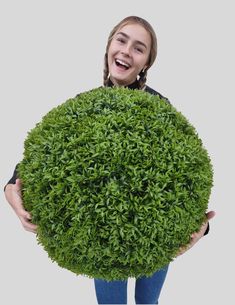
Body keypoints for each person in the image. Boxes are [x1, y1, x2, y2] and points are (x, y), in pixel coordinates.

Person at [4, 16, 215, 305]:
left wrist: (201, 228)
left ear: (145, 64)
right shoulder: (82, 107)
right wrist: (10, 189)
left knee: (147, 303)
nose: (127, 51)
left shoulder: (160, 109)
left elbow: (188, 170)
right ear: (108, 47)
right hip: (101, 234)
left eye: (139, 48)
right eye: (121, 39)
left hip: (150, 232)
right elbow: (41, 158)